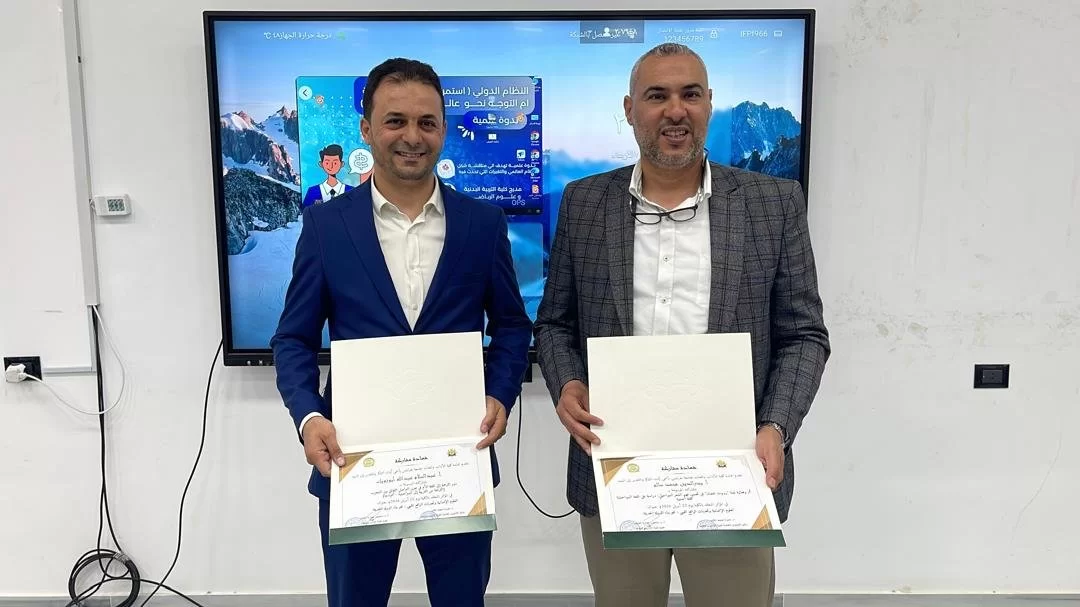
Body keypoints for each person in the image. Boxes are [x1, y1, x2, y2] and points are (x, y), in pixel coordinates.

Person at [533, 42, 830, 607]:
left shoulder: (773, 203)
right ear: (629, 109)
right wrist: (567, 382)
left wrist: (776, 426)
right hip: (616, 469)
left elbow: (804, 335)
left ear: (709, 103)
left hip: (733, 471)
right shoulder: (584, 203)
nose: (676, 110)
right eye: (657, 96)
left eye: (690, 94)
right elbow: (554, 324)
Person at [271, 57, 532, 607]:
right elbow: (293, 338)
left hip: (457, 458)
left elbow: (512, 325)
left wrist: (500, 394)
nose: (412, 136)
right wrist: (309, 417)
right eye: (395, 121)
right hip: (353, 460)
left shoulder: (483, 224)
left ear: (443, 130)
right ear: (367, 129)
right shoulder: (325, 225)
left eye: (426, 122)